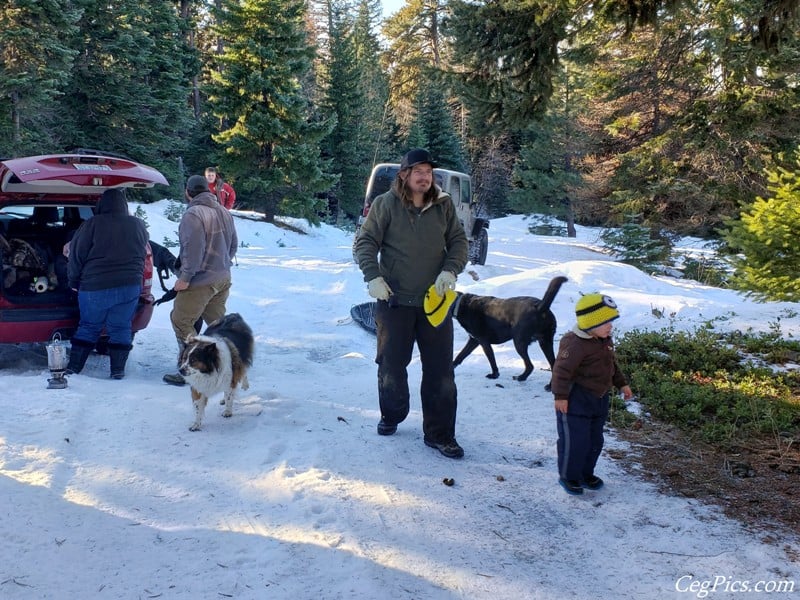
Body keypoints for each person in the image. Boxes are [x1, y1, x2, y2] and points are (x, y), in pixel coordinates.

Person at [354, 148, 469, 459]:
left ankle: (440, 434)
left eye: (428, 171)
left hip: (434, 304)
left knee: (441, 372)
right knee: (391, 366)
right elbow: (365, 242)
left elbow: (459, 241)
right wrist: (372, 276)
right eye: (418, 171)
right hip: (394, 302)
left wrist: (450, 269)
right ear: (403, 175)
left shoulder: (443, 206)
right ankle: (392, 414)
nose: (424, 176)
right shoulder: (385, 205)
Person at [550, 293, 634, 495]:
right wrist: (560, 396)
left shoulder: (603, 340)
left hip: (598, 399)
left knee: (595, 441)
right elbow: (560, 371)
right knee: (575, 441)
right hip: (575, 401)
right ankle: (569, 476)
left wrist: (622, 384)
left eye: (611, 321)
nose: (610, 326)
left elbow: (610, 364)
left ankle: (586, 473)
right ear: (590, 322)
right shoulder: (575, 343)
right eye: (605, 322)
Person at [65, 188, 149, 379]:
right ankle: (117, 371)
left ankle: (74, 369)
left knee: (89, 326)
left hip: (95, 286)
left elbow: (77, 256)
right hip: (130, 286)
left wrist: (73, 281)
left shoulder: (92, 224)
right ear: (124, 205)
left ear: (101, 204)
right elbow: (142, 253)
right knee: (121, 326)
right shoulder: (138, 224)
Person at [163, 175, 238, 386]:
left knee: (182, 320)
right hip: (223, 277)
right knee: (217, 324)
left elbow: (193, 251)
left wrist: (185, 278)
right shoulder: (224, 211)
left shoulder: (193, 214)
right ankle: (227, 365)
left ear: (188, 192)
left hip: (200, 281)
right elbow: (233, 245)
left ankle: (191, 369)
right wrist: (222, 263)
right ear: (209, 190)